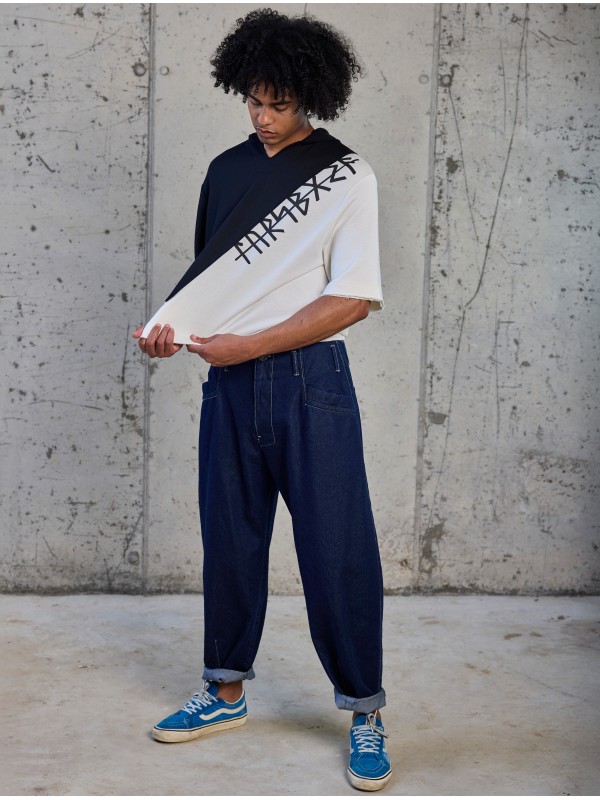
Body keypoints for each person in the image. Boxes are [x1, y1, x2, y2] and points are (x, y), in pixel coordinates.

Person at [133, 8, 391, 792]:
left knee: (337, 550)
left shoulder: (347, 176)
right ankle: (224, 691)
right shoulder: (225, 170)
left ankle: (366, 711)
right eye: (254, 100)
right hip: (230, 385)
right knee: (230, 540)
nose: (264, 116)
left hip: (312, 382)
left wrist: (250, 345)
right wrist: (173, 334)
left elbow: (353, 300)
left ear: (311, 95)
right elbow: (213, 284)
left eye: (279, 103)